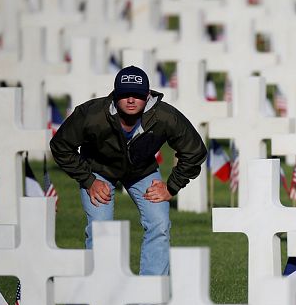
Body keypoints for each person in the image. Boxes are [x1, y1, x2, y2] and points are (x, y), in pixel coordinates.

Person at [50, 65, 207, 276]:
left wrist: (171, 187)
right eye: (125, 94)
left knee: (159, 222)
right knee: (100, 227)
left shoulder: (165, 116)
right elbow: (60, 145)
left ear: (147, 95)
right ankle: (99, 289)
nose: (131, 100)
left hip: (142, 170)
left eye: (138, 95)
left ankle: (151, 289)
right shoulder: (91, 114)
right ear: (115, 95)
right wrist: (88, 180)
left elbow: (195, 151)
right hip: (98, 170)